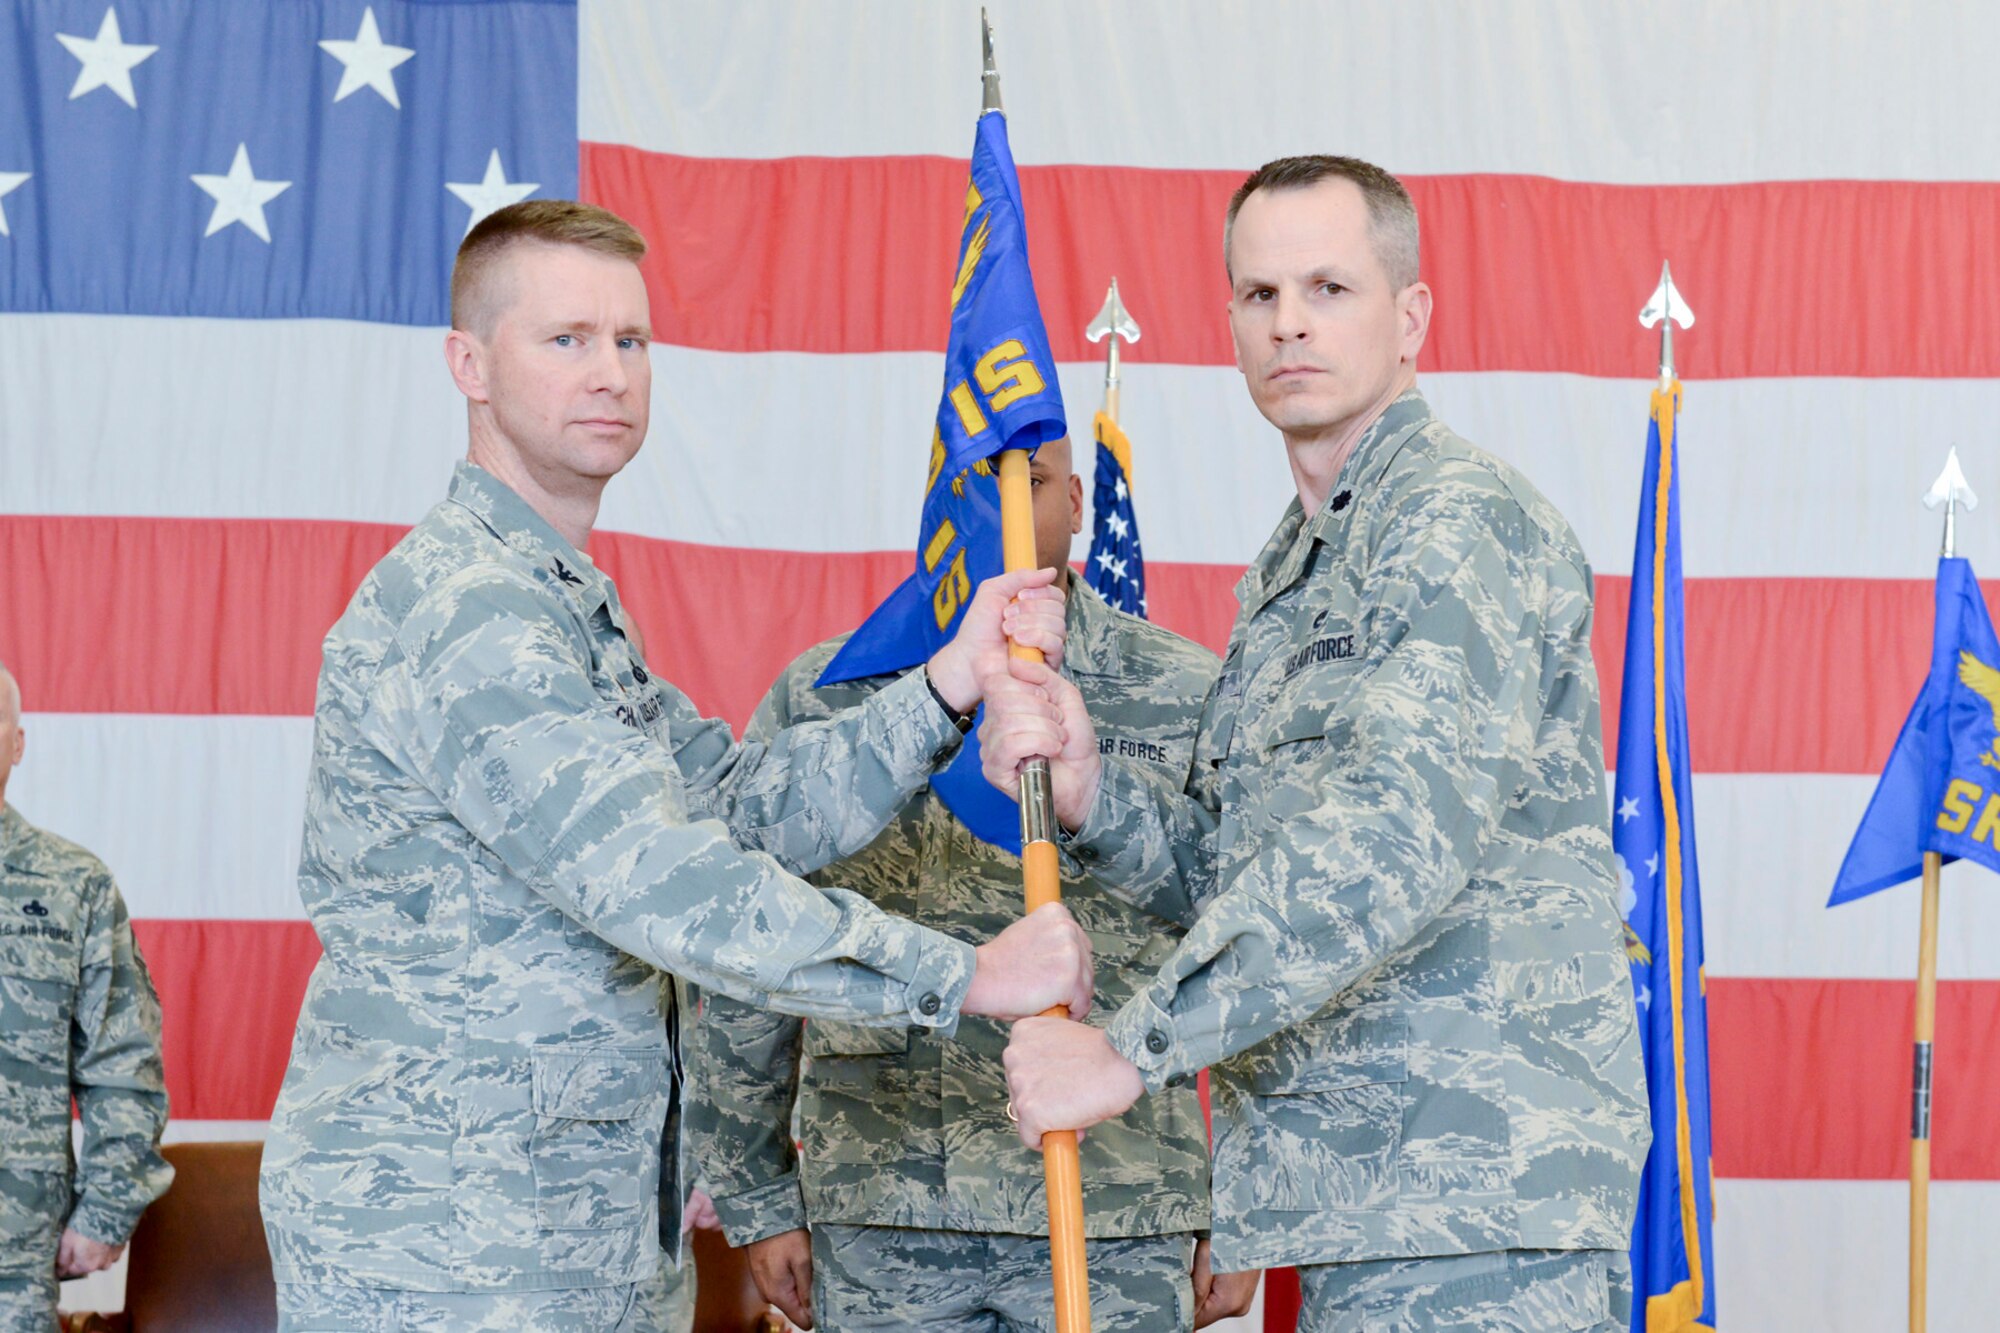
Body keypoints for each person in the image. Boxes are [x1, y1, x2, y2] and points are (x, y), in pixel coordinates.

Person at [258, 200, 1094, 1332]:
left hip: (572, 1239)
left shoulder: (563, 606)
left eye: (630, 341)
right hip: (447, 1248)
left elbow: (739, 804)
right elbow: (664, 878)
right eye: (566, 339)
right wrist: (965, 975)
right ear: (469, 363)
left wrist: (947, 681)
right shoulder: (467, 610)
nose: (607, 372)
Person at [982, 156, 1649, 1330]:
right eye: (1258, 294)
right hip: (1365, 1195)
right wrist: (1096, 800)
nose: (1288, 320)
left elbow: (1394, 835)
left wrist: (1130, 1049)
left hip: (1473, 1189)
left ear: (1411, 317)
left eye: (1329, 288)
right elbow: (1241, 867)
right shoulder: (1292, 570)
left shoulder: (1457, 522)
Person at [689, 432, 1257, 1331]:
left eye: (1029, 480)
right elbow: (746, 944)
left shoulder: (1185, 690)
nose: (1002, 501)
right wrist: (757, 1190)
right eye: (976, 479)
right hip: (883, 1208)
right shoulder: (836, 692)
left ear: (1077, 504)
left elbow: (1245, 932)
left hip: (1117, 1206)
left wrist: (1246, 1203)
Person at [0, 663, 172, 1333]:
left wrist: (105, 1208)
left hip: (12, 1259)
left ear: (17, 743)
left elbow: (123, 1059)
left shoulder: (75, 885)